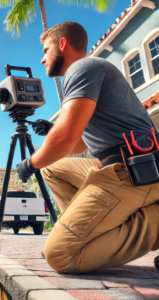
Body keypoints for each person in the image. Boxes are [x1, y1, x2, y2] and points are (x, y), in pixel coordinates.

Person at [16, 21, 159, 274]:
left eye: (46, 50)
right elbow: (79, 142)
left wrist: (30, 164)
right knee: (54, 169)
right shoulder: (91, 72)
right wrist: (51, 131)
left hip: (135, 172)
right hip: (121, 165)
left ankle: (154, 223)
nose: (42, 59)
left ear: (62, 45)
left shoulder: (82, 67)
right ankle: (85, 230)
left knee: (60, 255)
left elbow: (67, 137)